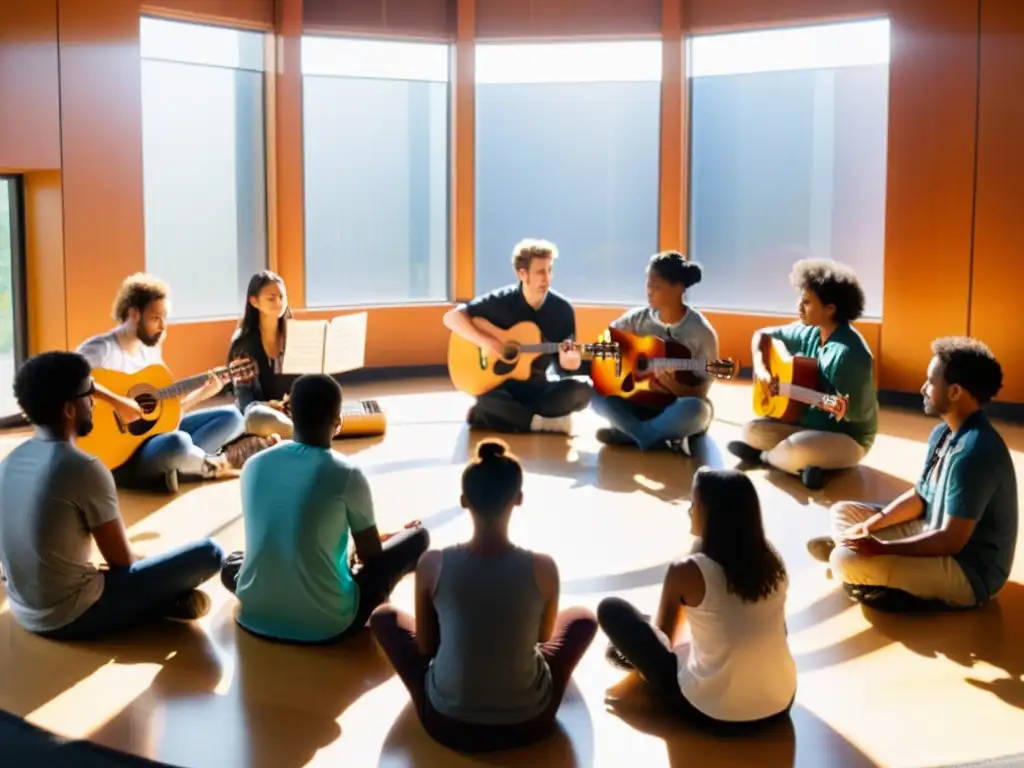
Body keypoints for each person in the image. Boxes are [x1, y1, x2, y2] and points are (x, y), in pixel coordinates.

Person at [369, 439, 598, 752]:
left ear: (464, 501)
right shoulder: (543, 568)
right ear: (518, 498)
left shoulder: (434, 563)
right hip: (529, 723)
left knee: (384, 617)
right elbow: (543, 637)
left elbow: (426, 646)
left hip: (446, 723)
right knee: (582, 619)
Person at [0, 351, 224, 641]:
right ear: (69, 410)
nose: (93, 402)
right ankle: (162, 602)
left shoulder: (9, 461)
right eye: (88, 394)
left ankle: (166, 603)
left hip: (22, 610)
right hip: (69, 616)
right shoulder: (83, 467)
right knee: (209, 553)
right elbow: (122, 564)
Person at [806, 337, 1017, 611]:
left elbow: (951, 540)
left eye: (930, 381)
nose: (923, 388)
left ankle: (854, 563)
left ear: (954, 392)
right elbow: (921, 496)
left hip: (968, 569)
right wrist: (870, 526)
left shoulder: (976, 451)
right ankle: (854, 555)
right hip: (931, 529)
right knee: (842, 512)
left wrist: (883, 548)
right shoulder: (942, 433)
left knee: (846, 560)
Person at [220, 374, 430, 644]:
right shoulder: (346, 473)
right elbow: (371, 558)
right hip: (328, 624)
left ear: (290, 415)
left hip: (254, 612)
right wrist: (385, 541)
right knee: (418, 538)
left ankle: (271, 597)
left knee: (232, 562)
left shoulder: (254, 465)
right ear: (338, 422)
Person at [598, 468, 796, 731]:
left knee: (612, 609)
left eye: (694, 503)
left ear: (713, 514)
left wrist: (641, 648)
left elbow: (665, 638)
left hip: (712, 713)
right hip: (779, 703)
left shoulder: (686, 571)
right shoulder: (772, 560)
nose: (689, 510)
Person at [77, 273, 271, 493]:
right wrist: (120, 403)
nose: (162, 327)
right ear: (133, 313)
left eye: (164, 319)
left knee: (233, 417)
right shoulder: (101, 349)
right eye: (155, 318)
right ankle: (198, 465)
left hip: (154, 440)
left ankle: (180, 468)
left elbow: (165, 416)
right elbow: (68, 381)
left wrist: (202, 394)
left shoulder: (150, 351)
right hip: (119, 457)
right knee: (177, 443)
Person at [726, 259, 879, 490]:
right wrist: (762, 370)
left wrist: (801, 395)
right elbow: (762, 335)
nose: (799, 306)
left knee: (795, 450)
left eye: (807, 302)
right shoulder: (809, 330)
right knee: (751, 431)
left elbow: (852, 412)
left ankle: (764, 458)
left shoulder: (851, 355)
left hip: (847, 438)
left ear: (830, 309)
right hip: (806, 425)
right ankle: (805, 466)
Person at [443, 238, 592, 434]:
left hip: (539, 388)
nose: (546, 279)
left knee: (582, 389)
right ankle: (539, 422)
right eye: (540, 272)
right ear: (522, 274)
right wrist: (489, 343)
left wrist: (570, 359)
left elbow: (567, 368)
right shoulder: (501, 301)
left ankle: (506, 418)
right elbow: (451, 318)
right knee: (486, 397)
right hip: (501, 387)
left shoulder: (562, 310)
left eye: (550, 271)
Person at [591, 252, 718, 456]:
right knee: (593, 390)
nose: (649, 291)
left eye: (656, 286)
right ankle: (649, 435)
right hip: (636, 401)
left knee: (698, 411)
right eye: (648, 284)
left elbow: (701, 393)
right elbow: (606, 345)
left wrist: (672, 385)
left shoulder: (701, 332)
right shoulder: (636, 319)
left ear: (678, 288)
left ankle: (630, 433)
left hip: (672, 408)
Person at [227, 270, 296, 439]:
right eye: (271, 298)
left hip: (295, 410)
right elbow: (246, 404)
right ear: (254, 301)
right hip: (263, 414)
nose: (279, 303)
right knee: (254, 415)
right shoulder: (242, 346)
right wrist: (269, 406)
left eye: (282, 297)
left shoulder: (295, 334)